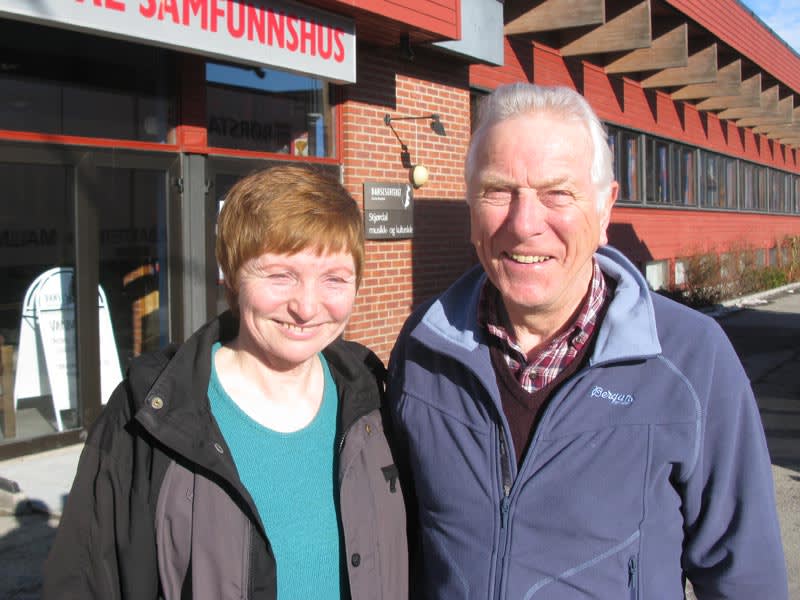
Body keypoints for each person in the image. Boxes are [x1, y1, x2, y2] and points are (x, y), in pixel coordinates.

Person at [387, 83, 788, 599]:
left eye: (557, 193)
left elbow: (747, 578)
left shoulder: (692, 358)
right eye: (498, 191)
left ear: (604, 210)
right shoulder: (424, 349)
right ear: (470, 208)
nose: (524, 224)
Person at [43, 165, 408, 599]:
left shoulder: (374, 400)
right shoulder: (145, 418)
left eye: (334, 279)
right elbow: (83, 582)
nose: (307, 307)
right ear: (232, 277)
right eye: (281, 275)